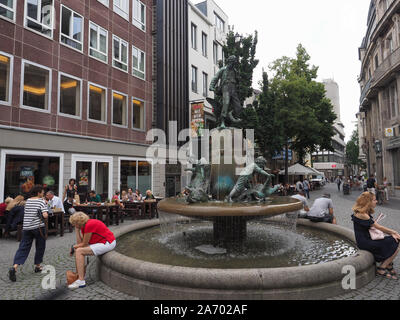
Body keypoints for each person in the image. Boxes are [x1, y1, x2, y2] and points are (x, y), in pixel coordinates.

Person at [352, 192, 400, 280]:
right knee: (396, 241)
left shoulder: (363, 212)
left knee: (393, 240)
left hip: (368, 240)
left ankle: (388, 264)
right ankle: (382, 268)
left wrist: (393, 234)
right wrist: (394, 232)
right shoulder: (363, 215)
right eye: (374, 200)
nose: (376, 201)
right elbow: (379, 227)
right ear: (368, 202)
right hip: (366, 243)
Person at [8, 185, 49, 282]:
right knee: (40, 246)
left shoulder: (28, 201)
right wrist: (45, 208)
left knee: (23, 248)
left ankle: (14, 267)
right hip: (38, 227)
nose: (43, 194)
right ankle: (38, 266)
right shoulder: (41, 201)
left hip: (26, 228)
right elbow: (45, 215)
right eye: (42, 192)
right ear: (38, 192)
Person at [68, 212, 116, 289]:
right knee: (79, 250)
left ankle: (81, 280)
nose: (73, 225)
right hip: (102, 242)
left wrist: (73, 247)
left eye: (74, 223)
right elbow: (80, 243)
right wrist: (77, 231)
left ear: (78, 222)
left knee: (79, 251)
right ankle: (80, 275)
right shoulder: (85, 225)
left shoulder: (89, 225)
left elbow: (83, 244)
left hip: (107, 243)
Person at [209, 55, 242, 129]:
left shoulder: (235, 71)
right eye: (232, 63)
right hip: (225, 87)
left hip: (233, 88)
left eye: (234, 63)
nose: (233, 64)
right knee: (226, 103)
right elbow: (216, 77)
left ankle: (231, 113)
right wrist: (212, 86)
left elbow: (238, 80)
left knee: (238, 106)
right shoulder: (223, 69)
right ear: (229, 62)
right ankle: (222, 122)